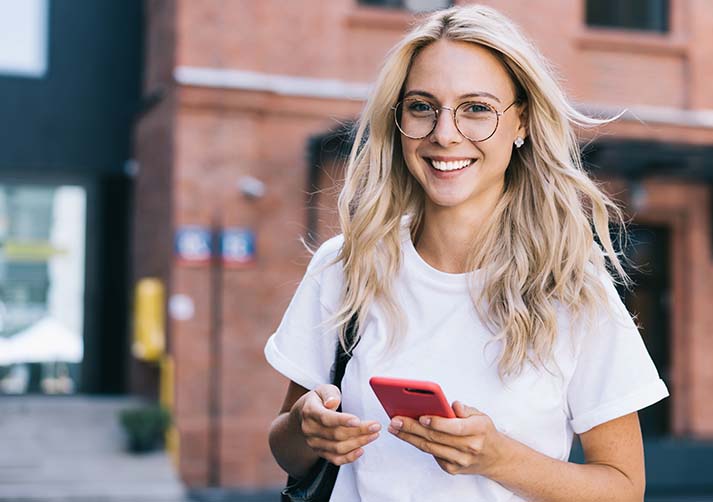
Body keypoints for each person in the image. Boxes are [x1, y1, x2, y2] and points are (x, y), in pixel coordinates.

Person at [265, 5, 669, 501]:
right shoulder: (344, 266)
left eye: (476, 108)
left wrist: (500, 459)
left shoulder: (573, 286)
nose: (444, 133)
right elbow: (286, 449)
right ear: (398, 121)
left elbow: (625, 489)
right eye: (421, 106)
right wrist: (309, 430)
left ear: (520, 122)